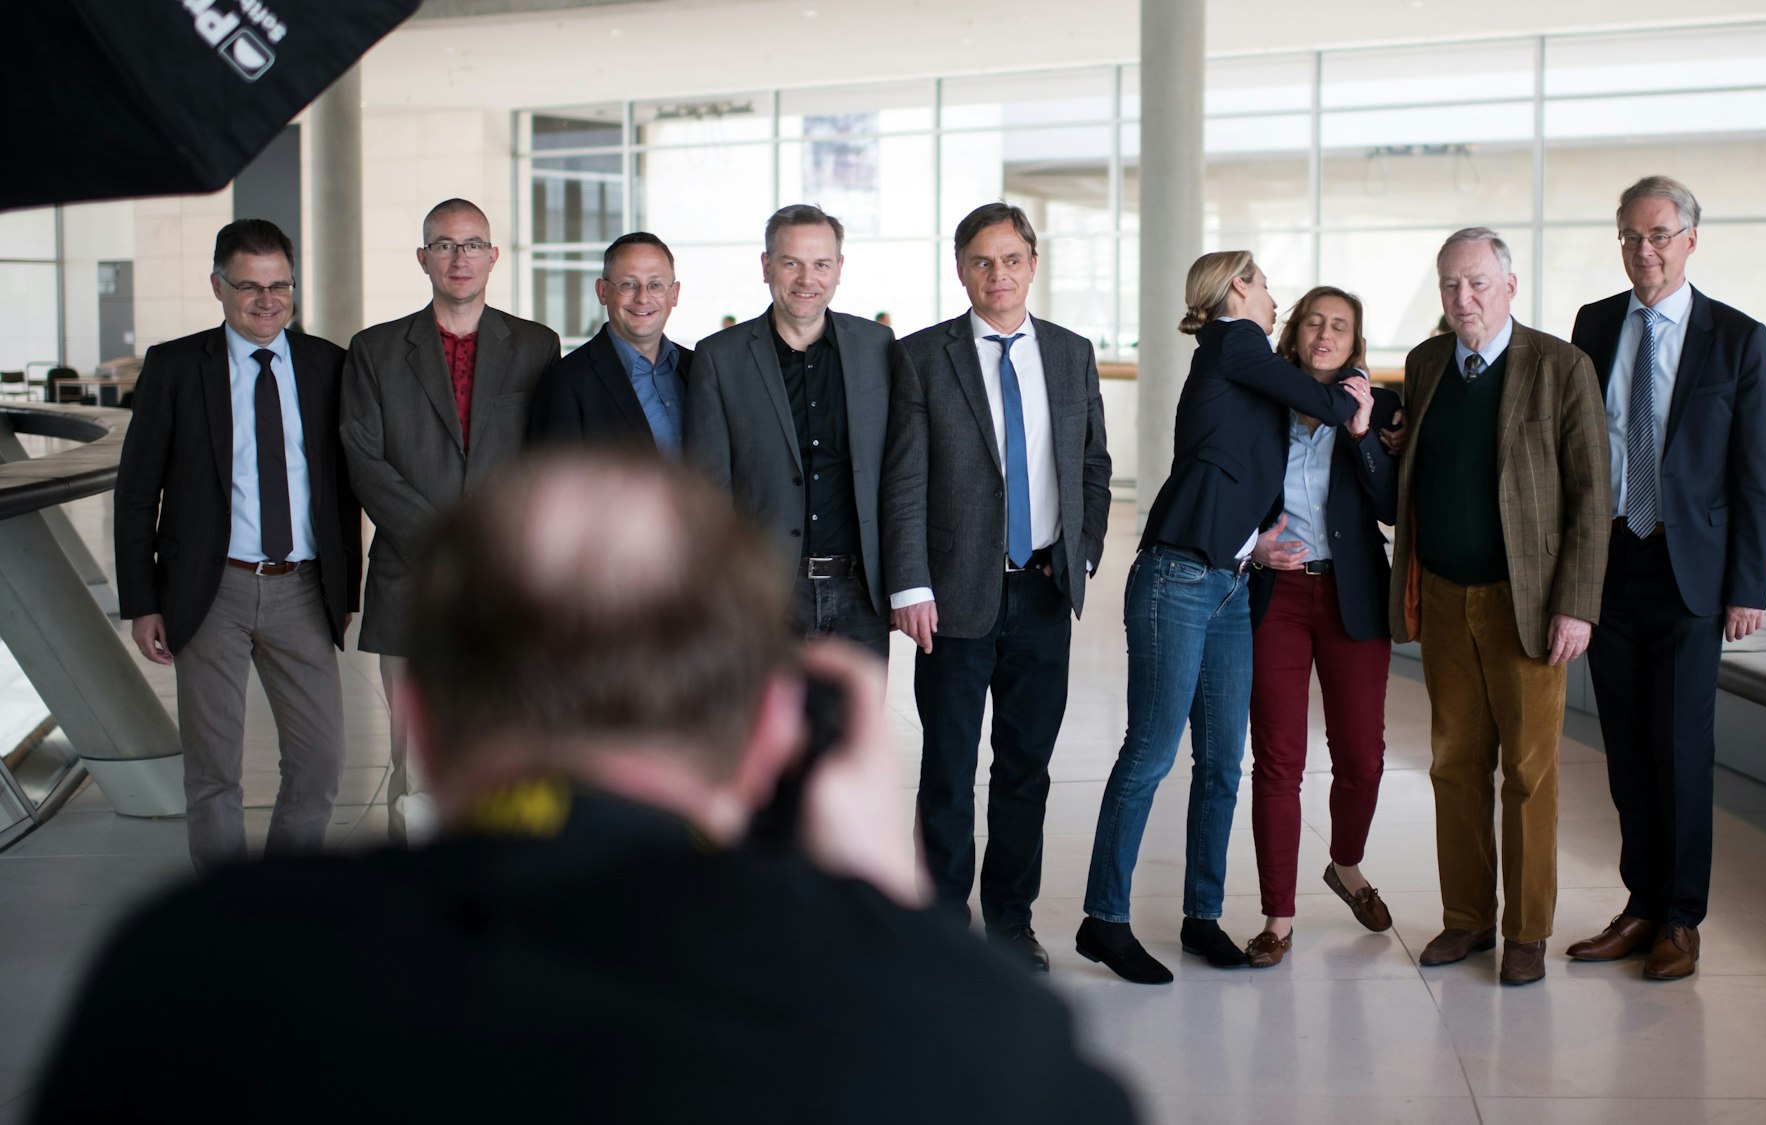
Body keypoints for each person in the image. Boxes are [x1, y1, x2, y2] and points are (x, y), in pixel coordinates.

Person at [33, 449, 1137, 1125]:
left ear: (420, 717)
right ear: (772, 727)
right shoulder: (971, 1042)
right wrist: (888, 929)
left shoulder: (189, 976)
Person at [1077, 251, 1367, 985]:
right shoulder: (1235, 339)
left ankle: (1201, 914)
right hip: (1178, 574)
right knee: (1151, 753)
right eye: (1266, 284)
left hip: (1230, 578)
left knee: (1220, 765)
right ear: (1239, 287)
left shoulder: (1238, 363)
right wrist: (1357, 398)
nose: (1272, 298)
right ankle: (1103, 920)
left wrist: (1257, 537)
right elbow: (1327, 404)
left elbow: (1235, 462)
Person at [883, 203, 1113, 972]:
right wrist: (909, 582)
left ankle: (1010, 924)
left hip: (1044, 589)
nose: (998, 274)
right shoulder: (921, 357)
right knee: (947, 767)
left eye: (1011, 258)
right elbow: (905, 481)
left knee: (1026, 769)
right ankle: (945, 928)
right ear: (961, 269)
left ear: (1033, 263)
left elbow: (1092, 465)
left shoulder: (1073, 353)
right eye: (982, 261)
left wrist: (1081, 554)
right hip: (951, 597)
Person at [1564, 176, 1766, 981]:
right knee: (1624, 746)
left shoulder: (1736, 337)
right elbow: (1574, 451)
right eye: (1629, 236)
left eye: (1657, 235)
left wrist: (1748, 585)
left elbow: (1758, 472)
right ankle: (1640, 903)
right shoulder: (1593, 324)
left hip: (1693, 570)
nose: (1642, 251)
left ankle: (1681, 918)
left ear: (1691, 238)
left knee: (1681, 746)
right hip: (1611, 563)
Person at [1389, 227, 1611, 986]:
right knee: (1454, 766)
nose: (1464, 298)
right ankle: (1467, 919)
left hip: (1529, 606)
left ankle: (1527, 930)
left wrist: (1576, 604)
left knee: (1528, 771)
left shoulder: (1560, 366)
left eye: (1478, 282)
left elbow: (1591, 495)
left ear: (1510, 286)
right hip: (1446, 598)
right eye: (1451, 284)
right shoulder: (1424, 365)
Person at [111, 219, 360, 875]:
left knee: (321, 759)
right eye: (249, 285)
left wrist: (348, 591)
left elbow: (341, 490)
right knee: (214, 769)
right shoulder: (173, 366)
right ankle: (224, 919)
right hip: (209, 589)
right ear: (218, 285)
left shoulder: (327, 364)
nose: (267, 300)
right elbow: (137, 492)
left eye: (280, 285)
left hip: (302, 589)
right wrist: (141, 601)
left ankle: (278, 899)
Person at [340, 197, 560, 845]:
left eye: (472, 244)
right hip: (412, 582)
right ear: (423, 258)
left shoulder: (536, 346)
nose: (458, 258)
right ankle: (416, 910)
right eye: (443, 244)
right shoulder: (375, 351)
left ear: (494, 256)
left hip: (507, 584)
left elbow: (547, 461)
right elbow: (365, 460)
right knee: (417, 764)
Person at [1242, 287, 1402, 968]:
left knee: (1362, 754)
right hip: (1275, 595)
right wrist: (1250, 545)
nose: (1326, 332)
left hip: (1352, 594)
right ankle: (1278, 915)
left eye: (1340, 324)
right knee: (1279, 760)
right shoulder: (1256, 402)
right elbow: (1222, 487)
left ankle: (1347, 864)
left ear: (1355, 338)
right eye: (1314, 320)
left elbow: (1394, 506)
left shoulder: (1380, 406)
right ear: (1295, 333)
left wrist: (1364, 434)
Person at [684, 204, 896, 658]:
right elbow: (708, 490)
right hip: (765, 597)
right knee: (768, 729)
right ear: (766, 267)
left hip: (861, 594)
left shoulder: (878, 348)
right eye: (791, 263)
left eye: (821, 264)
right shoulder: (720, 358)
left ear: (839, 269)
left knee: (853, 729)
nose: (807, 279)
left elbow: (902, 472)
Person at [525, 232, 693, 453]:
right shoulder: (565, 382)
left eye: (655, 285)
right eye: (628, 284)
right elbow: (557, 483)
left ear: (674, 294)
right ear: (602, 292)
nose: (642, 297)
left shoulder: (699, 368)